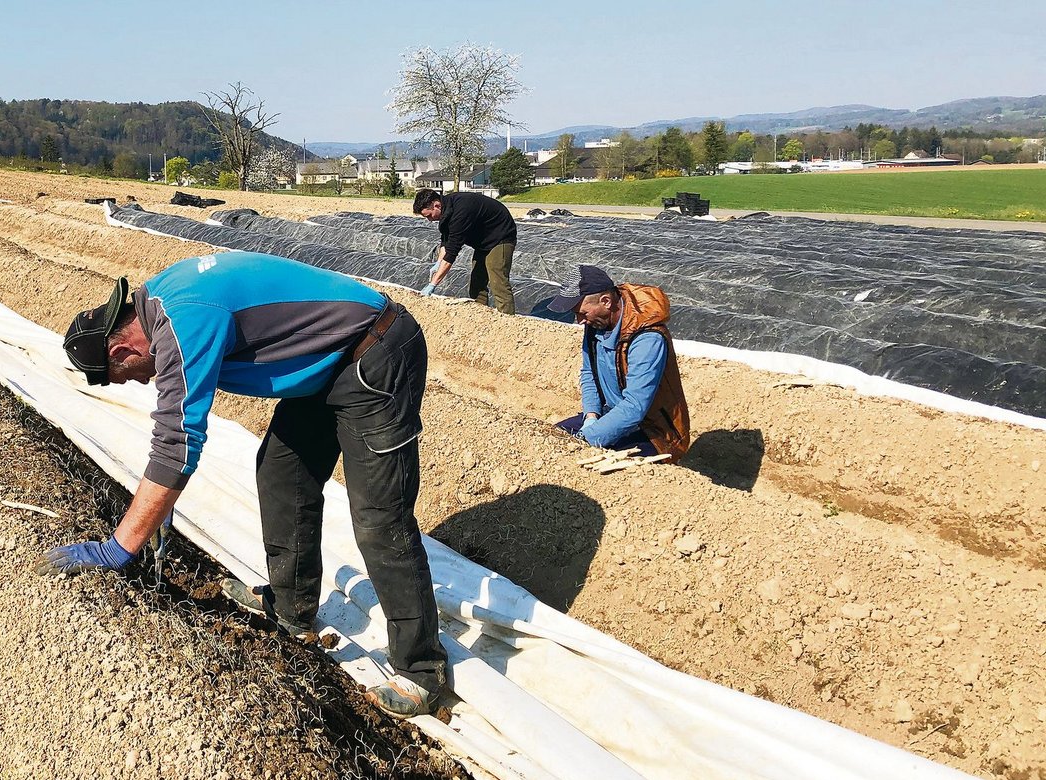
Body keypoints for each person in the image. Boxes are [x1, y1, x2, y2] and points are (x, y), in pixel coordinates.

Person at [42, 251, 448, 719]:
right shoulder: (160, 303)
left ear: (120, 352)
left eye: (123, 377)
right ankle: (291, 605)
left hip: (372, 353)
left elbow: (177, 442)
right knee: (280, 472)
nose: (137, 381)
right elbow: (175, 439)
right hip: (322, 363)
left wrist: (121, 545)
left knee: (380, 517)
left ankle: (422, 669)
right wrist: (158, 503)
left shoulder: (183, 323)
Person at [547, 265, 690, 461]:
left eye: (582, 313)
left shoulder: (647, 338)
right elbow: (589, 372)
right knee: (552, 438)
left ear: (605, 301)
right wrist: (591, 416)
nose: (579, 320)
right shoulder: (597, 322)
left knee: (582, 460)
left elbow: (635, 406)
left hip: (652, 431)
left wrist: (586, 438)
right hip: (611, 413)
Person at [412, 188, 517, 314]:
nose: (429, 220)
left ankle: (508, 321)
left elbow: (452, 252)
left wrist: (433, 284)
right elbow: (446, 241)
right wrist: (438, 263)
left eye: (429, 215)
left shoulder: (461, 211)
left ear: (436, 205)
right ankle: (481, 315)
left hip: (501, 237)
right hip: (483, 241)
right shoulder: (446, 210)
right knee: (477, 283)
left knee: (497, 281)